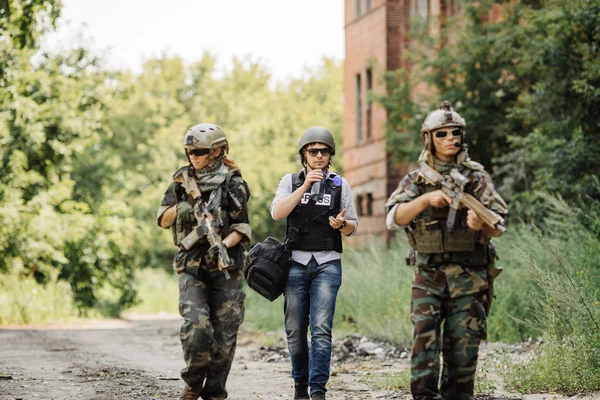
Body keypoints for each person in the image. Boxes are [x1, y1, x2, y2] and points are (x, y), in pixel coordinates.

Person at [385, 102, 508, 400]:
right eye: (443, 134)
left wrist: (481, 224)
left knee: (464, 347)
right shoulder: (416, 180)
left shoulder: (477, 178)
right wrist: (427, 200)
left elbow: (499, 226)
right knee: (424, 342)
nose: (451, 138)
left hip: (470, 274)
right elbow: (394, 218)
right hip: (428, 274)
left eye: (456, 133)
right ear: (430, 139)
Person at [157, 123, 251, 400]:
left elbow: (242, 229)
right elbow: (162, 219)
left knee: (224, 337)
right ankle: (194, 382)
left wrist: (221, 244)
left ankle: (214, 393)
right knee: (196, 327)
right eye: (189, 152)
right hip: (191, 267)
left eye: (199, 152)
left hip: (226, 268)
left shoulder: (234, 182)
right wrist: (184, 207)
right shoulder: (181, 181)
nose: (193, 157)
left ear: (218, 151)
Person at [270, 126, 359, 400]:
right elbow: (277, 213)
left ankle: (318, 390)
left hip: (327, 263)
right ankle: (300, 386)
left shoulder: (340, 184)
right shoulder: (290, 181)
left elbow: (353, 227)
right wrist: (306, 185)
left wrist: (341, 224)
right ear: (304, 155)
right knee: (296, 329)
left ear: (330, 155)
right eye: (313, 151)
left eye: (324, 151)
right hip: (295, 263)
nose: (319, 155)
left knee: (321, 329)